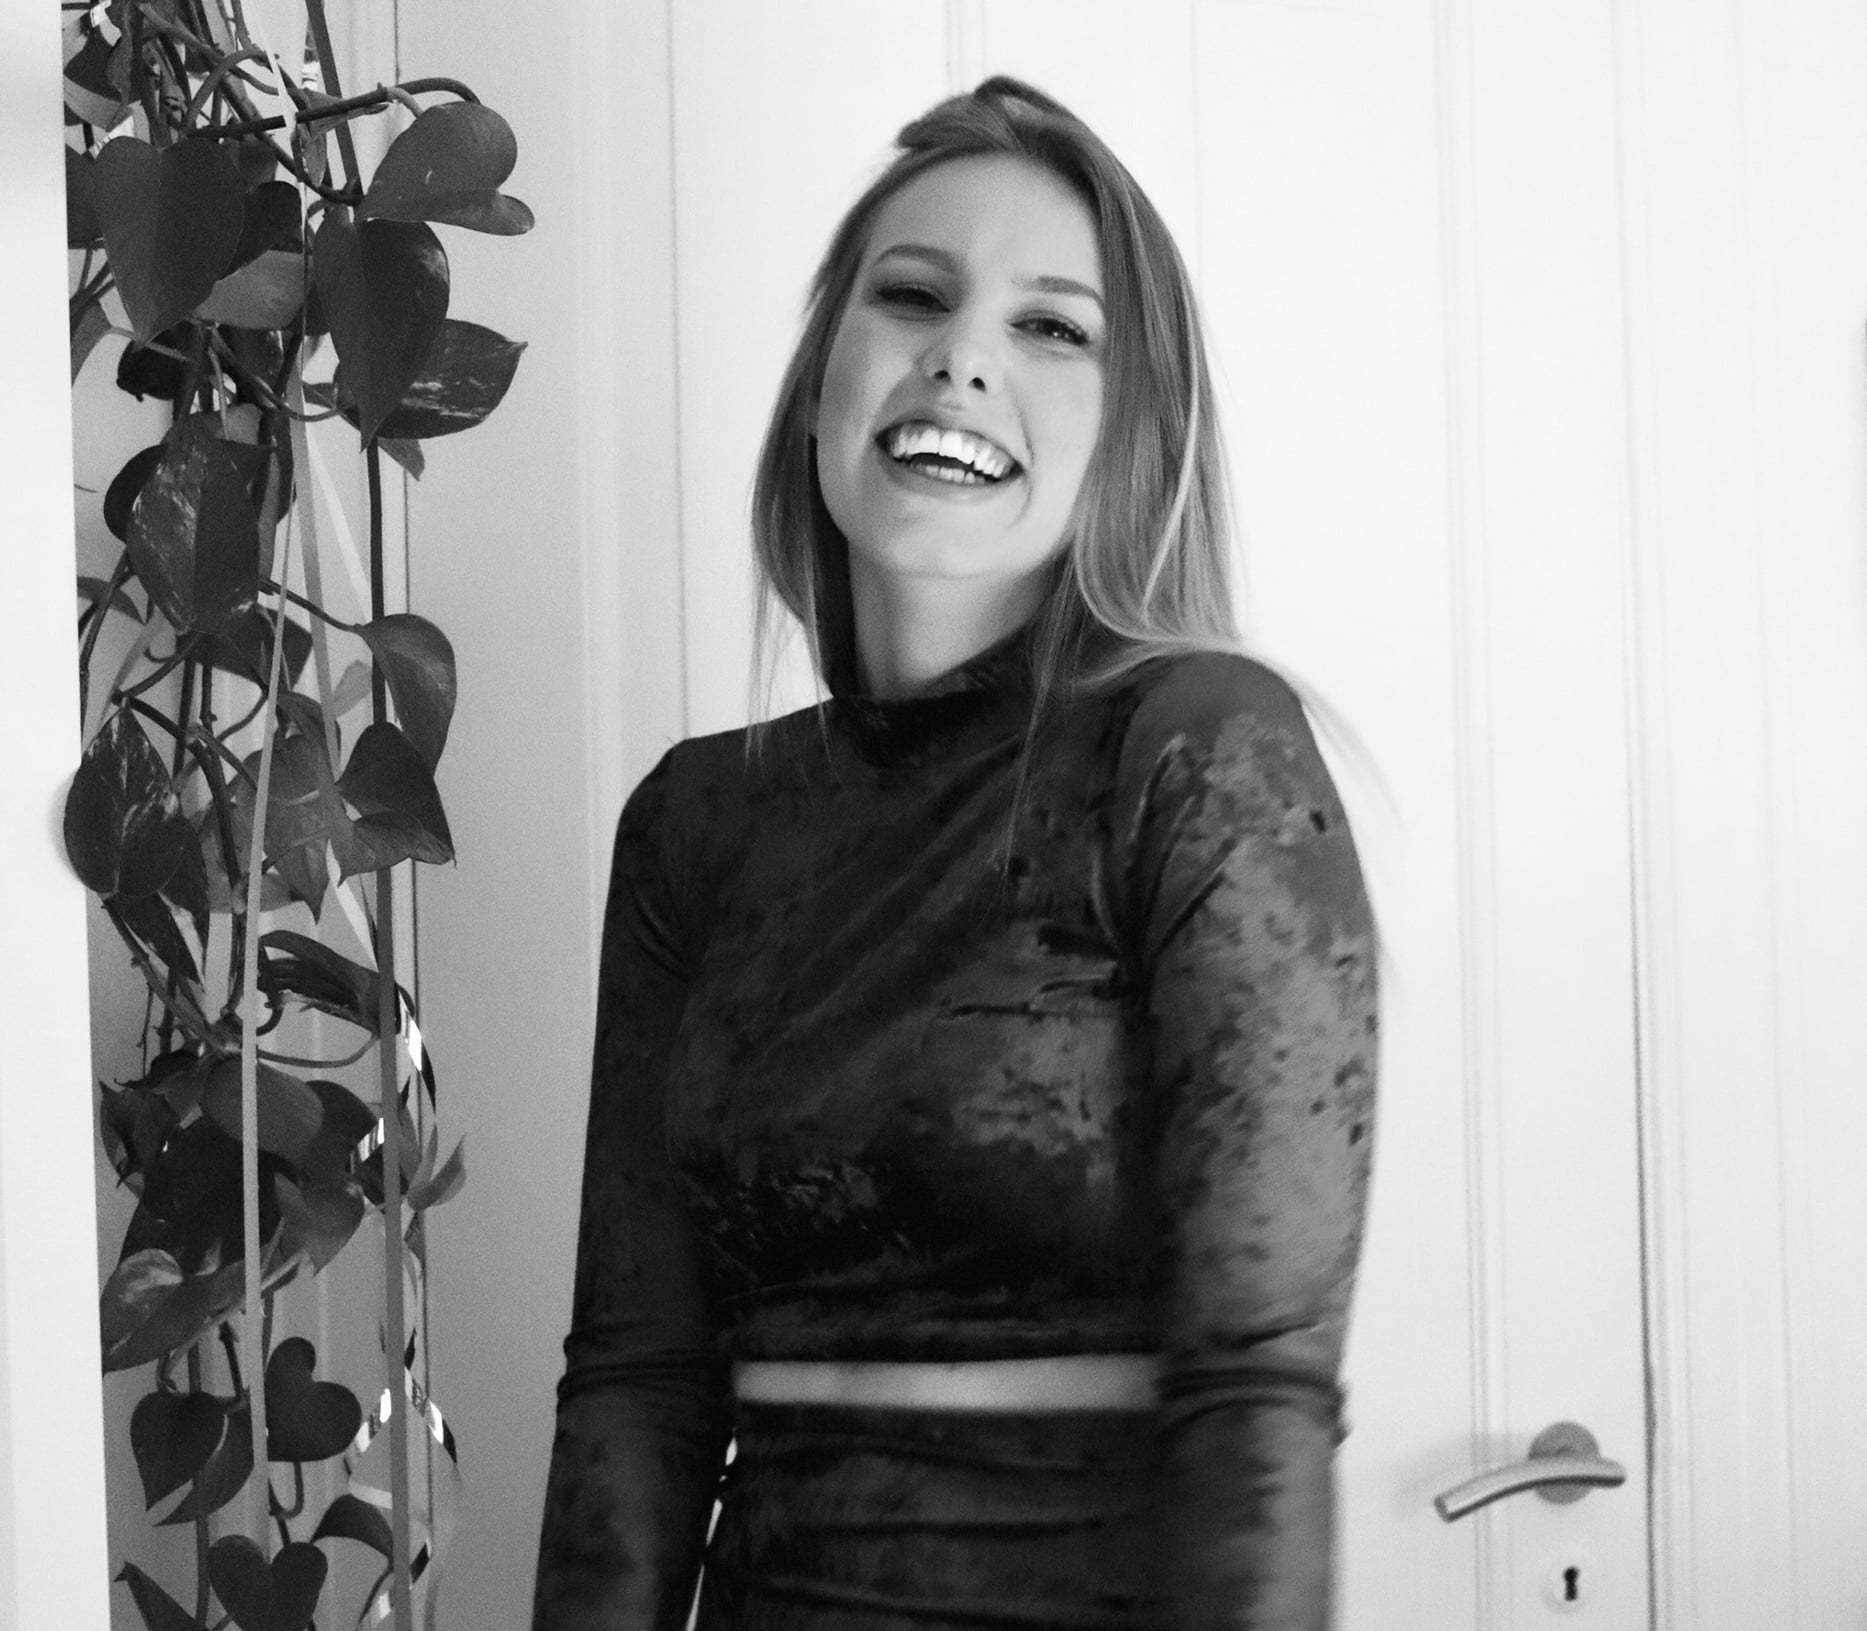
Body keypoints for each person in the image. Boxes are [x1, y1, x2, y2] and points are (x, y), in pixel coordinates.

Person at [532, 76, 1377, 1631]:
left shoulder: (1195, 748)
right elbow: (638, 1384)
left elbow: (1256, 1393)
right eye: (913, 295)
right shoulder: (693, 823)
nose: (964, 355)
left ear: (1134, 437)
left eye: (1053, 327)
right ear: (818, 385)